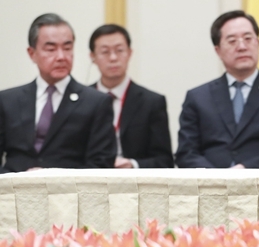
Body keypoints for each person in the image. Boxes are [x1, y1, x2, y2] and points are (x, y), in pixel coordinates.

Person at [175, 10, 259, 168]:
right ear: (218, 51)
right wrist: (216, 177)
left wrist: (245, 169)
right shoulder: (198, 97)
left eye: (248, 39)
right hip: (211, 181)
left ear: (258, 43)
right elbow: (186, 153)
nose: (242, 47)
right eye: (232, 41)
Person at [0, 14, 116, 173]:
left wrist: (54, 179)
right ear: (32, 53)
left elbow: (101, 165)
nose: (61, 57)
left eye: (67, 48)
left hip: (69, 188)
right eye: (51, 49)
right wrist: (18, 181)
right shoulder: (8, 101)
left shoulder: (96, 102)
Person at [89, 24, 173, 168]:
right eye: (105, 52)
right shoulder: (82, 100)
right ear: (92, 57)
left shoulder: (152, 102)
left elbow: (164, 160)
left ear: (129, 53)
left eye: (119, 50)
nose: (113, 58)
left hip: (134, 179)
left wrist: (133, 165)